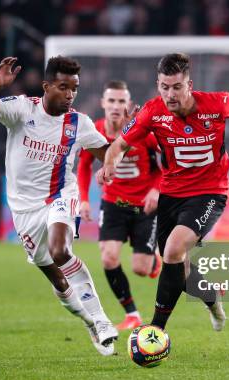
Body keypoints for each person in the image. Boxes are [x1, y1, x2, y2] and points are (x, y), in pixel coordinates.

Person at [100, 53, 229, 331]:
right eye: (164, 86)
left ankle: (155, 330)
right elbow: (119, 145)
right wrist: (110, 164)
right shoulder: (152, 112)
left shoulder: (217, 103)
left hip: (210, 192)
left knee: (173, 250)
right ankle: (211, 298)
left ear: (189, 84)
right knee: (179, 269)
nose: (170, 94)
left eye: (176, 87)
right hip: (171, 195)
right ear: (157, 84)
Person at [0, 56, 119, 355]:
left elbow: (107, 153)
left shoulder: (78, 123)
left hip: (60, 194)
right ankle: (89, 323)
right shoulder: (22, 109)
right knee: (56, 277)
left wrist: (110, 163)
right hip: (23, 209)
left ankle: (102, 319)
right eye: (63, 87)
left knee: (61, 251)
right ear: (47, 86)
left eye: (74, 88)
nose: (70, 94)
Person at [77, 80, 161, 330]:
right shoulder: (95, 133)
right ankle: (132, 314)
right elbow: (83, 166)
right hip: (113, 203)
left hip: (145, 205)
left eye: (121, 101)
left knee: (141, 269)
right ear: (103, 103)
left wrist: (157, 189)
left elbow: (166, 161)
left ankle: (159, 258)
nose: (115, 106)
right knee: (109, 257)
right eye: (111, 100)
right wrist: (83, 199)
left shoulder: (142, 132)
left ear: (129, 104)